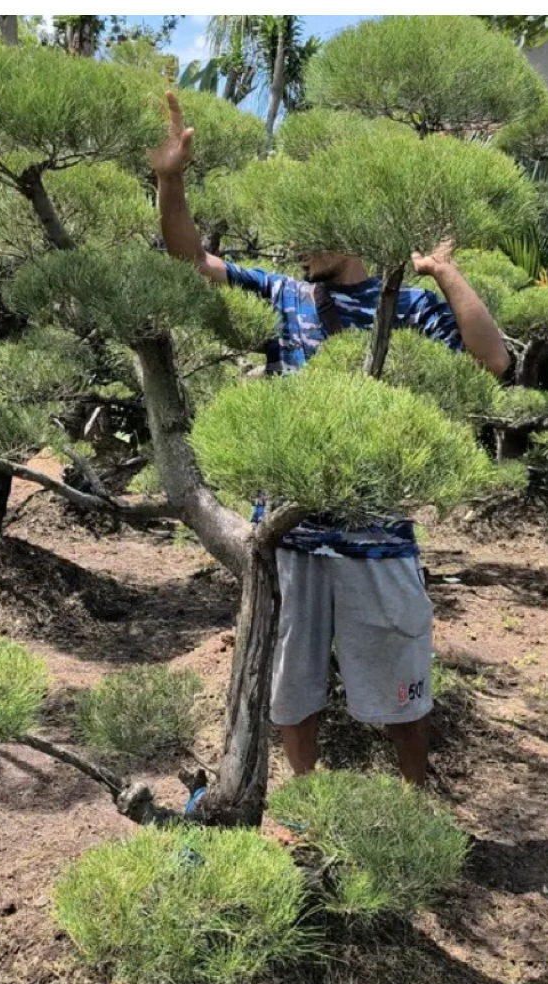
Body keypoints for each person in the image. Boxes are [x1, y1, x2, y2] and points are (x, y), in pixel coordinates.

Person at [148, 92, 510, 786]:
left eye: (314, 228)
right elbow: (192, 262)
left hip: (378, 535)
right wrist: (171, 180)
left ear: (351, 228)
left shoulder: (406, 308)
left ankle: (411, 799)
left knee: (403, 679)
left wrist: (446, 273)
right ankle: (307, 800)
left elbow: (492, 361)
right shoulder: (286, 297)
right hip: (292, 533)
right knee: (290, 680)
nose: (300, 243)